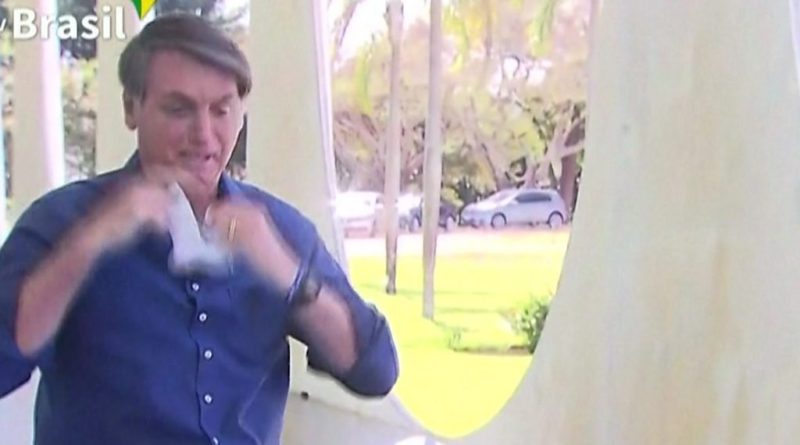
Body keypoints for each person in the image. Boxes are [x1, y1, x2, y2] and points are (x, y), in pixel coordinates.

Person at [0, 13, 398, 445]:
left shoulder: (277, 229)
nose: (205, 135)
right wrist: (90, 242)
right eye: (179, 109)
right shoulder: (62, 220)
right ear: (132, 108)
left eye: (221, 110)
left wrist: (290, 276)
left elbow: (375, 371)